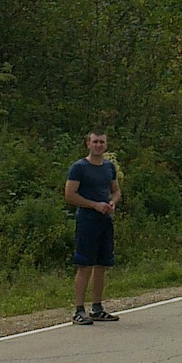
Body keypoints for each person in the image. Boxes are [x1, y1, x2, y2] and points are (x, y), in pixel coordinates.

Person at [65, 131, 121, 324]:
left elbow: (116, 190)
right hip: (87, 220)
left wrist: (112, 202)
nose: (98, 145)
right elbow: (70, 195)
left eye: (102, 142)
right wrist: (94, 205)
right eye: (95, 142)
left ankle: (97, 307)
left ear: (106, 145)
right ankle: (79, 310)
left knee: (101, 265)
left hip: (105, 221)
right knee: (85, 265)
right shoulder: (79, 168)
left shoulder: (109, 167)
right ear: (88, 144)